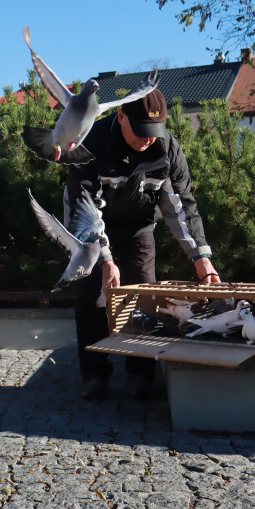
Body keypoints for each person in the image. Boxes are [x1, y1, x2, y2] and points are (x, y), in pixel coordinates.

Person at [67, 87, 220, 400]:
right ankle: (94, 375)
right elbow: (84, 209)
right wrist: (106, 260)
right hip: (91, 230)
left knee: (145, 297)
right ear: (121, 117)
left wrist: (201, 258)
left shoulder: (167, 148)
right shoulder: (90, 143)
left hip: (139, 228)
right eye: (141, 133)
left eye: (154, 132)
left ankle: (140, 374)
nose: (148, 139)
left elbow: (181, 207)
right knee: (93, 299)